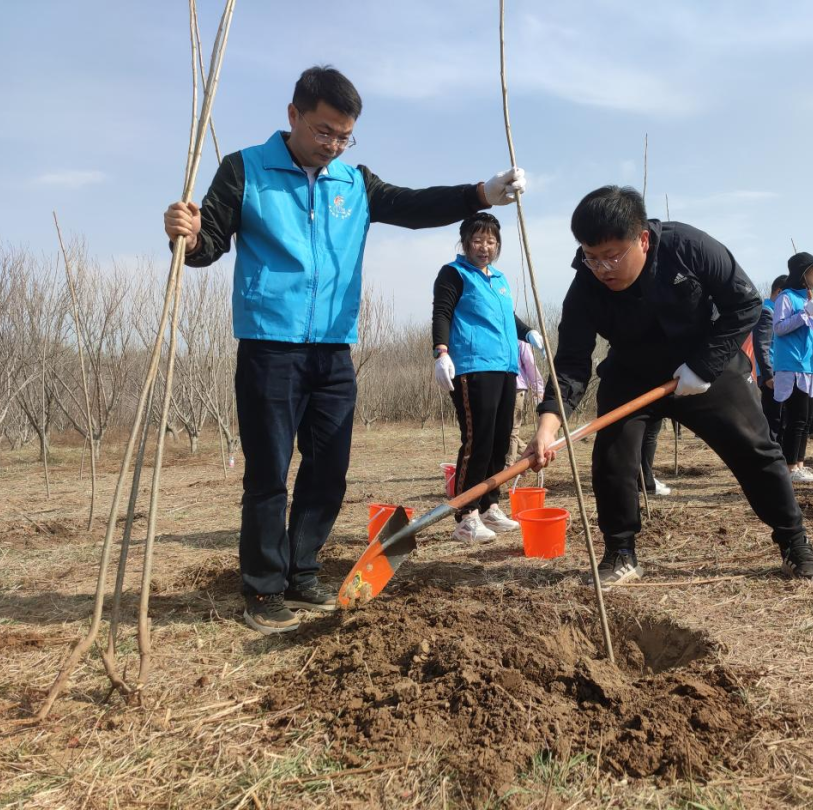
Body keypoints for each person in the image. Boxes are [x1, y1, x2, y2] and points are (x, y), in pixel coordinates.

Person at [163, 66, 526, 635]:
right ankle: (263, 589)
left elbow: (413, 205)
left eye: (344, 136)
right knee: (268, 473)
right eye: (324, 131)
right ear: (294, 116)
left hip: (333, 350)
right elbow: (207, 244)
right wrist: (185, 235)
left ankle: (302, 570)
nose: (333, 145)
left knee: (329, 469)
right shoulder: (245, 169)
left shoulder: (354, 183)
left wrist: (479, 194)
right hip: (270, 346)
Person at [523, 186, 813, 586]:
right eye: (591, 256)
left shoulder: (689, 247)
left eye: (612, 256)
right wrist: (548, 425)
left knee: (755, 448)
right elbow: (571, 362)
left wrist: (703, 366)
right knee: (613, 456)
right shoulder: (585, 286)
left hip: (706, 361)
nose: (602, 268)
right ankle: (620, 552)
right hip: (633, 373)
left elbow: (745, 305)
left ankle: (794, 544)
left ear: (642, 239)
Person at [432, 213, 544, 541]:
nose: (485, 247)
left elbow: (507, 316)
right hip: (473, 366)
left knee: (499, 440)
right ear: (466, 242)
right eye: (478, 240)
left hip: (506, 367)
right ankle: (466, 514)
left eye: (491, 241)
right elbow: (442, 312)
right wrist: (441, 351)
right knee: (477, 439)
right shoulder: (454, 274)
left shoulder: (499, 278)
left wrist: (528, 331)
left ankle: (489, 505)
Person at [772, 253, 813, 482]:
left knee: (807, 420)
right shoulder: (787, 297)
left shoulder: (810, 300)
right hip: (792, 366)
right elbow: (779, 328)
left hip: (808, 367)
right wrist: (804, 313)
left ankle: (800, 464)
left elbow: (811, 337)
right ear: (803, 273)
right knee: (796, 419)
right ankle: (790, 467)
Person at [754, 275, 788, 445]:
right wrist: (768, 376)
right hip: (772, 374)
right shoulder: (768, 312)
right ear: (779, 292)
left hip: (781, 371)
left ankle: (779, 452)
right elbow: (762, 346)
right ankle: (770, 453)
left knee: (783, 418)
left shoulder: (779, 313)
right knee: (773, 418)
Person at [506, 337, 545, 465]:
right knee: (501, 429)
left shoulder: (520, 340)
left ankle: (509, 466)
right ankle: (531, 453)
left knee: (512, 430)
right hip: (498, 388)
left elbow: (530, 364)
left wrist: (538, 390)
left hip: (517, 388)